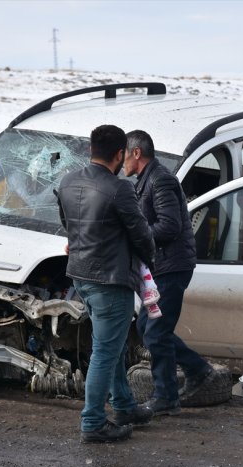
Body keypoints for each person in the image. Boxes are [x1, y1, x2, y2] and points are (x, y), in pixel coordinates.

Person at [56, 124, 156, 443]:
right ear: (119, 155)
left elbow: (68, 224)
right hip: (110, 278)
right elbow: (141, 233)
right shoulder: (120, 188)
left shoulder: (68, 181)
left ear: (90, 150)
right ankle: (93, 422)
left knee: (109, 346)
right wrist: (150, 261)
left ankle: (124, 406)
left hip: (80, 275)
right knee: (105, 351)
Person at [123, 130, 216, 415]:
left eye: (123, 154)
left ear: (136, 153)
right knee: (145, 328)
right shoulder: (147, 180)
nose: (122, 161)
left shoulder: (160, 179)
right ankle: (197, 368)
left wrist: (134, 236)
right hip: (160, 267)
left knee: (156, 333)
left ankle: (166, 397)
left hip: (171, 267)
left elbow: (169, 226)